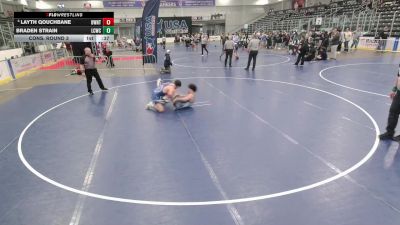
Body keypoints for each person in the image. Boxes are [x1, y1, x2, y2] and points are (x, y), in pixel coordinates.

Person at [380, 67, 400, 141]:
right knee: (393, 111)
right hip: (399, 92)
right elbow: (399, 76)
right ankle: (389, 133)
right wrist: (394, 89)